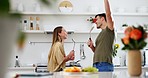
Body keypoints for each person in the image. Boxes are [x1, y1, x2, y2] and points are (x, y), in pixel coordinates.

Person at [87, 0, 115, 72]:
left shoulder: (109, 29)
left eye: (97, 19)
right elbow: (97, 51)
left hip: (105, 65)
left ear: (102, 19)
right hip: (96, 64)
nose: (95, 22)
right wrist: (92, 47)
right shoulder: (101, 33)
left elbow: (108, 14)